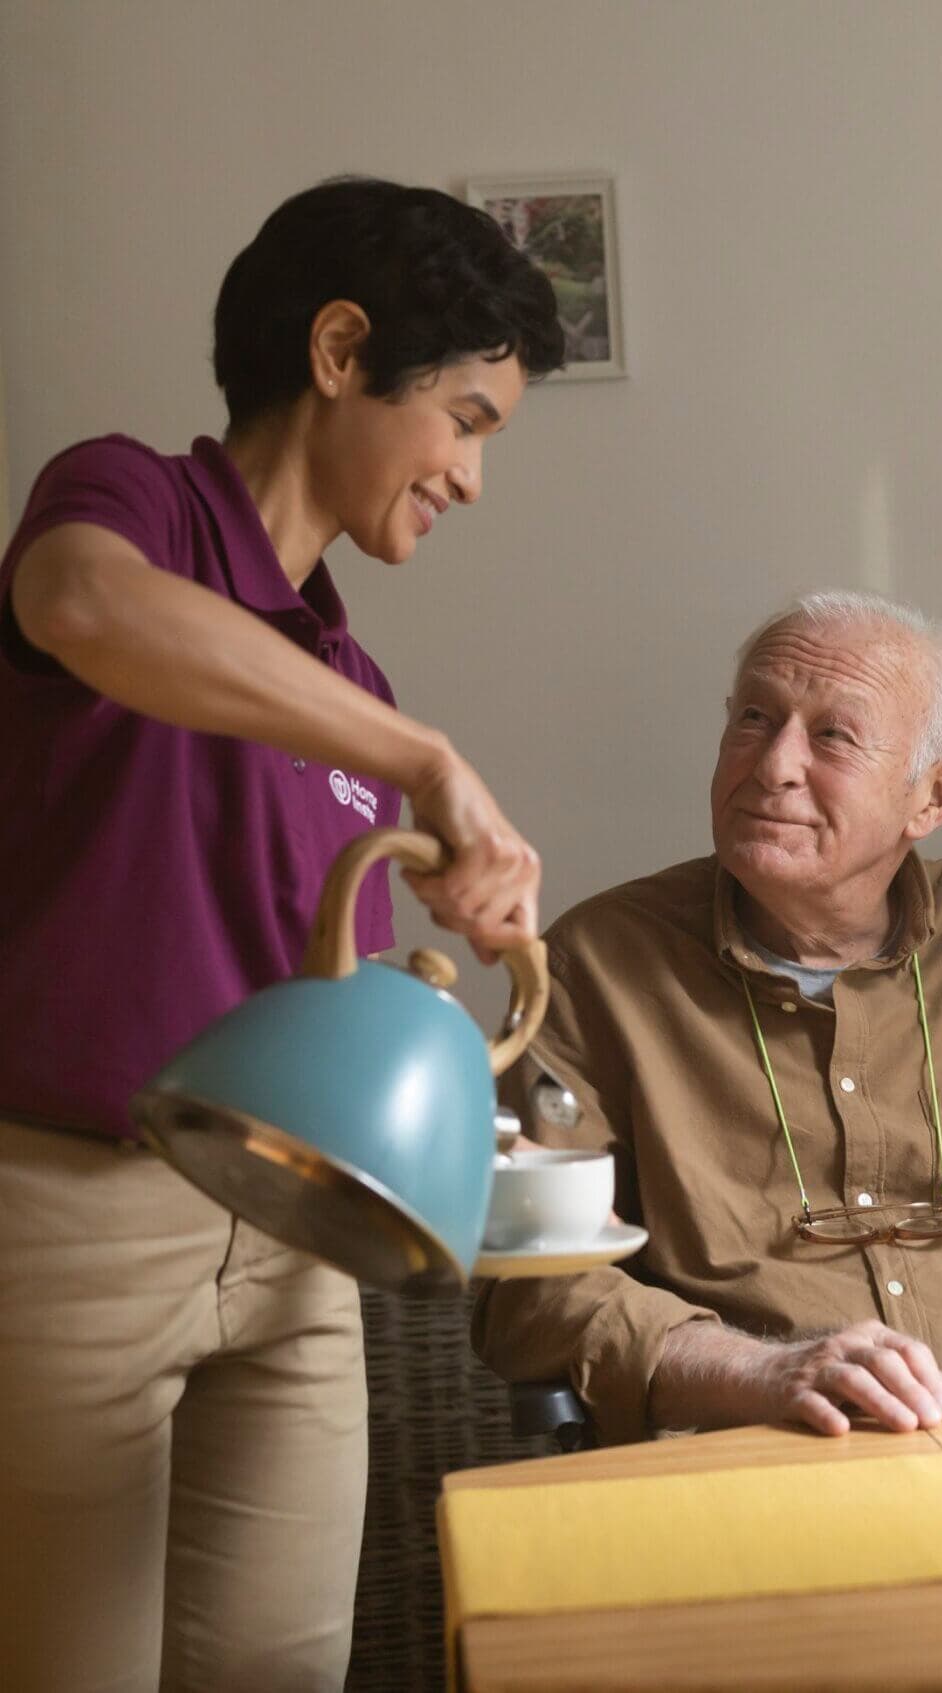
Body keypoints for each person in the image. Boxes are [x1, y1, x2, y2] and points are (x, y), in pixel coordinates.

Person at [0, 176, 563, 1693]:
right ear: (336, 351)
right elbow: (78, 605)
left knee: (283, 1667)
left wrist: (439, 933)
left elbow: (298, 991)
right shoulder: (128, 501)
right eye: (466, 418)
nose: (472, 476)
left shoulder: (347, 669)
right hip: (72, 1220)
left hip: (299, 1234)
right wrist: (421, 758)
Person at [474, 590, 942, 1449]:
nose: (773, 764)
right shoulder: (595, 963)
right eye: (755, 717)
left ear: (933, 796)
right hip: (756, 1449)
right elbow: (530, 1288)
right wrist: (753, 1371)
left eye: (833, 735)